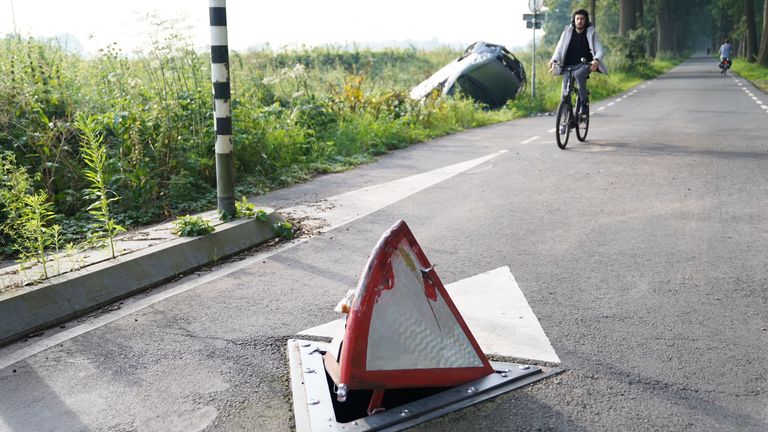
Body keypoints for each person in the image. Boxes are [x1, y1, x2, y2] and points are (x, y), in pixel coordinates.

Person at [547, 9, 608, 120]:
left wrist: (596, 60)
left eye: (582, 19)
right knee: (564, 95)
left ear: (586, 20)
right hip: (567, 66)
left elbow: (600, 50)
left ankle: (584, 103)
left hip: (584, 64)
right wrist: (553, 61)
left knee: (579, 75)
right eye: (577, 19)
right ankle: (566, 121)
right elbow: (559, 48)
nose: (579, 21)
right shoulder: (567, 32)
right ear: (573, 20)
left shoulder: (591, 33)